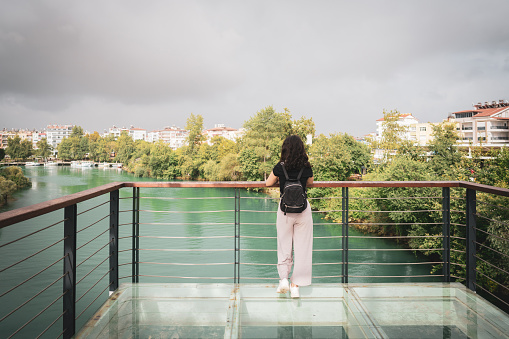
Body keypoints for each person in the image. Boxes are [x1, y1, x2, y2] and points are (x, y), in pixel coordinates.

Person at [266, 135, 313, 298]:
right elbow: (311, 182)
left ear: (285, 148)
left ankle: (284, 279)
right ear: (301, 149)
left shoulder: (280, 166)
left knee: (284, 246)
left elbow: (268, 183)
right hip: (303, 210)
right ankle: (295, 286)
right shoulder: (306, 166)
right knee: (303, 249)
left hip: (285, 210)